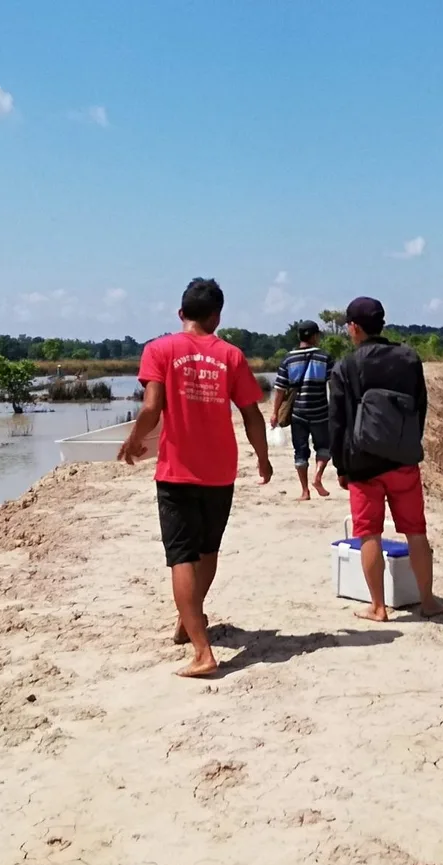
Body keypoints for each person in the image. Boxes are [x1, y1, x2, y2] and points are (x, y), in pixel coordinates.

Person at [120, 278, 273, 677]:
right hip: (220, 470)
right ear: (217, 317)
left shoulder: (159, 350)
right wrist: (263, 458)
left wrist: (134, 439)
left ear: (180, 313)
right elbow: (252, 414)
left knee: (181, 555)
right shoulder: (232, 356)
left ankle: (203, 652)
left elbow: (153, 407)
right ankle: (188, 620)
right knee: (207, 551)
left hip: (177, 470)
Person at [327, 296, 443, 622]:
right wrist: (407, 444)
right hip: (403, 460)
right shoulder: (408, 358)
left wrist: (340, 465)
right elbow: (420, 407)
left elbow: (336, 421)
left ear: (353, 328)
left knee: (369, 535)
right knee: (416, 532)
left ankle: (378, 607)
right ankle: (428, 601)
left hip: (363, 464)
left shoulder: (346, 366)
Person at [271, 320, 334, 501]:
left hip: (298, 412)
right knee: (323, 447)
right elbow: (334, 385)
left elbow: (280, 389)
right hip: (321, 410)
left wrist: (275, 412)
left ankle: (305, 491)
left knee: (300, 451)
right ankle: (318, 477)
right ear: (315, 336)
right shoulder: (324, 357)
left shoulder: (288, 359)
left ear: (299, 337)